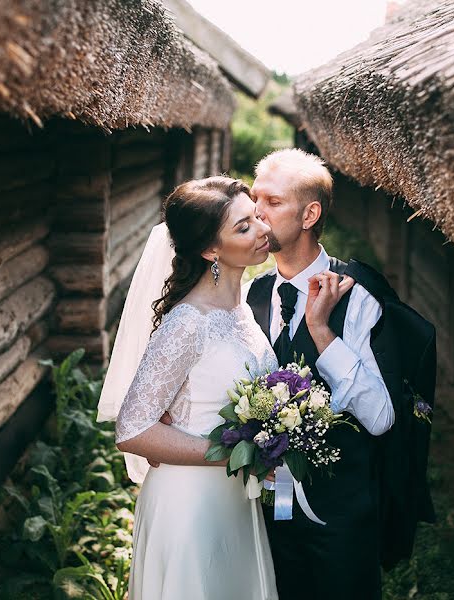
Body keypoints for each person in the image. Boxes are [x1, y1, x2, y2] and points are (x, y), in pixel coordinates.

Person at [97, 176, 282, 600]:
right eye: (243, 227)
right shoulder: (187, 323)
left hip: (235, 501)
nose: (262, 230)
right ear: (210, 250)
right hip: (191, 505)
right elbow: (132, 430)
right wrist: (239, 454)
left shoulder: (239, 309)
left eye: (255, 216)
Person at [244, 149, 394, 600]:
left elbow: (381, 417)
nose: (257, 213)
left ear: (309, 214)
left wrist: (321, 331)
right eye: (254, 200)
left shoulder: (359, 296)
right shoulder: (250, 296)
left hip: (341, 518)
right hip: (264, 515)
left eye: (272, 202)